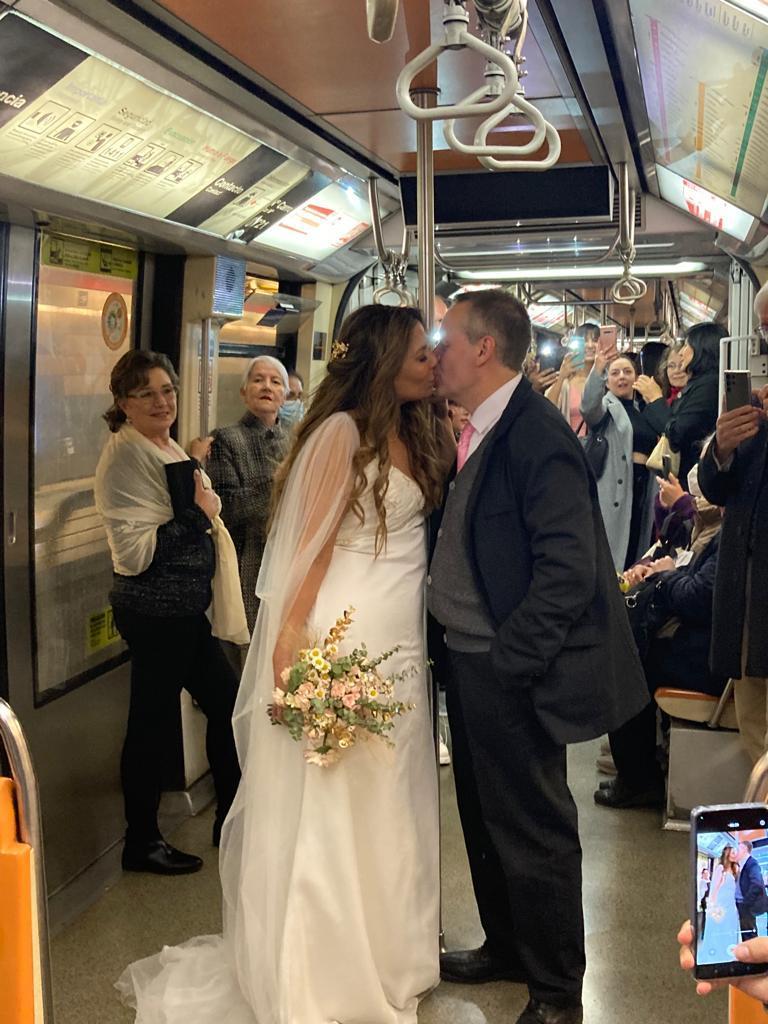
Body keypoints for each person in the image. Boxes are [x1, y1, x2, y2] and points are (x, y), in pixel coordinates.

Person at [116, 305, 443, 1023]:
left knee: (391, 791)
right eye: (422, 352)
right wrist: (292, 648)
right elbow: (309, 551)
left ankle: (391, 947)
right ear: (387, 360)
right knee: (340, 797)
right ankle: (323, 963)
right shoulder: (340, 434)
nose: (433, 362)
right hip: (346, 631)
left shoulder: (415, 429)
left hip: (401, 637)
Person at [428, 289, 648, 1024]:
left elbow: (567, 566)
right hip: (470, 657)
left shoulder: (533, 434)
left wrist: (512, 659)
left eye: (446, 341)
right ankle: (508, 945)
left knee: (534, 829)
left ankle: (556, 992)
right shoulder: (483, 427)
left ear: (484, 348)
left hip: (505, 664)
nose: (437, 354)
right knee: (487, 817)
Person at [94, 351, 244, 875]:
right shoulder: (125, 457)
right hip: (157, 614)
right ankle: (142, 842)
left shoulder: (163, 445)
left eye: (168, 390)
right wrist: (197, 516)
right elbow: (138, 551)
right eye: (148, 394)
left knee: (225, 705)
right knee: (152, 725)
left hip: (183, 612)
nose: (163, 401)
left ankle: (231, 818)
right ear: (123, 404)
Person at [696, 283, 768, 764]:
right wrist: (721, 447)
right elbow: (718, 489)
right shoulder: (758, 406)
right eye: (764, 330)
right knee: (757, 732)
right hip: (750, 600)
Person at [207, 356, 291, 634]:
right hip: (250, 559)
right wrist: (278, 483)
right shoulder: (226, 439)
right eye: (258, 380)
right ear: (244, 393)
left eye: (275, 381)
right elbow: (227, 507)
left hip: (292, 557)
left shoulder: (297, 439)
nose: (267, 386)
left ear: (286, 395)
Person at [580, 350, 659, 571]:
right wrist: (597, 368)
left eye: (627, 372)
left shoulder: (643, 408)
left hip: (643, 486)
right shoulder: (605, 408)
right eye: (614, 373)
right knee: (613, 548)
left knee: (635, 544)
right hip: (615, 488)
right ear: (607, 381)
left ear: (636, 377)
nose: (622, 377)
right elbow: (587, 407)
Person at [643, 322, 726, 488]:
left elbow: (679, 432)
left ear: (701, 348)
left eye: (687, 345)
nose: (681, 353)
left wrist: (656, 400)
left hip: (693, 479)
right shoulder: (700, 384)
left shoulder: (708, 386)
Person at [545, 323, 599, 436]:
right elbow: (546, 410)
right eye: (584, 340)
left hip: (601, 449)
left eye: (595, 340)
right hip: (571, 448)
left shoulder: (606, 380)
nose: (590, 345)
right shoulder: (566, 383)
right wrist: (561, 377)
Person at [706, 847, 741, 951]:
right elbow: (714, 889)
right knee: (720, 926)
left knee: (731, 927)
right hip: (721, 903)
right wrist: (713, 906)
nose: (735, 855)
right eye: (733, 853)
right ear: (727, 855)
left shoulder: (735, 869)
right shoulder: (720, 868)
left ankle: (729, 950)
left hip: (731, 904)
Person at [736, 840, 767, 942]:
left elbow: (756, 884)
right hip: (742, 904)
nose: (736, 851)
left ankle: (752, 955)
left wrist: (746, 902)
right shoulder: (744, 864)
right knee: (746, 931)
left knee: (749, 933)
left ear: (744, 849)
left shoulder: (752, 863)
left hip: (746, 905)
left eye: (738, 848)